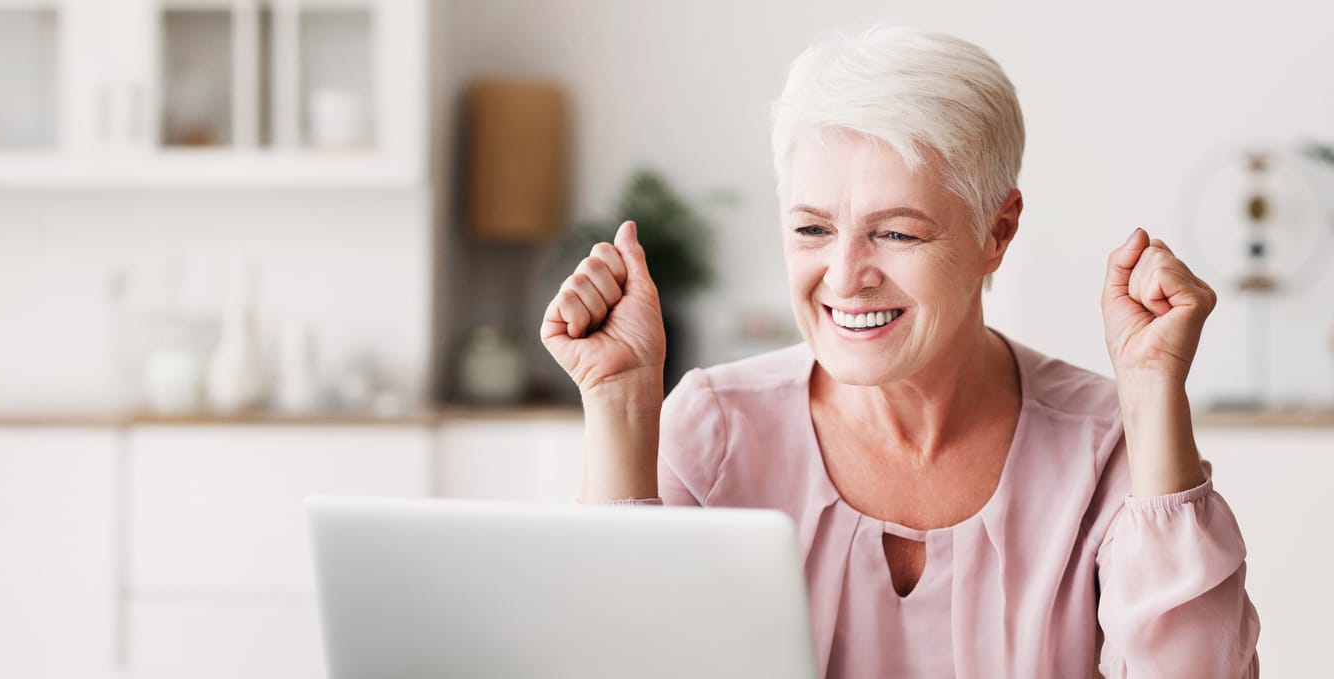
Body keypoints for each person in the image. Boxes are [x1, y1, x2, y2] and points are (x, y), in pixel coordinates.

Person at [540, 25, 1260, 678]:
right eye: (813, 230)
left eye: (898, 233)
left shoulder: (1106, 445)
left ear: (997, 231)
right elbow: (615, 657)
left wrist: (1151, 392)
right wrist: (621, 406)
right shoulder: (715, 429)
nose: (847, 276)